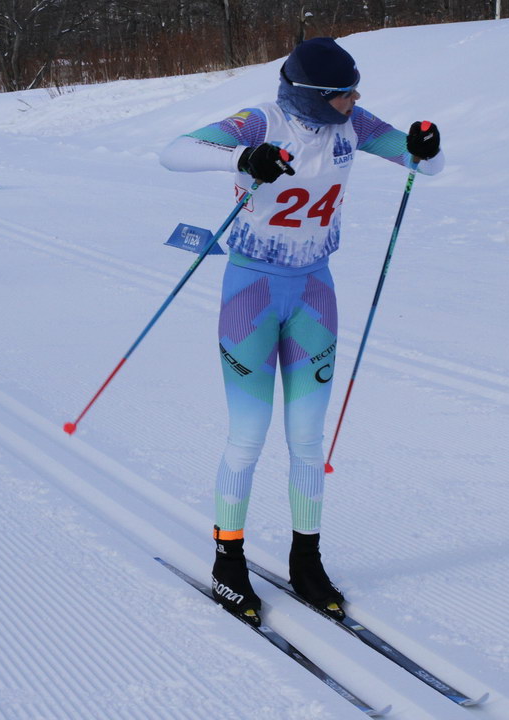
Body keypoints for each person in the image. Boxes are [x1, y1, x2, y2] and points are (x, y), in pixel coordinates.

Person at [158, 37, 444, 622]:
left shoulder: (353, 124)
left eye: (356, 89)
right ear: (313, 96)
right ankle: (228, 561)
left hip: (315, 291)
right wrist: (244, 158)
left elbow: (427, 165)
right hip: (251, 293)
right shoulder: (261, 121)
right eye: (343, 93)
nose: (355, 99)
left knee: (308, 438)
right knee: (249, 434)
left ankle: (306, 561)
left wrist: (425, 145)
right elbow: (176, 151)